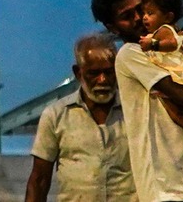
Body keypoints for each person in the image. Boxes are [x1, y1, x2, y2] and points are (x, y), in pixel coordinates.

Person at [115, 0, 183, 202]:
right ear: (111, 27)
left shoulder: (165, 49)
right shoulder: (130, 53)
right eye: (127, 16)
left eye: (144, 11)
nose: (140, 18)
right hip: (166, 187)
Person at [26, 34, 134, 202]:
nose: (103, 80)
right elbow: (39, 179)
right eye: (94, 73)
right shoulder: (56, 115)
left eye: (108, 72)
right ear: (78, 73)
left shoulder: (135, 111)